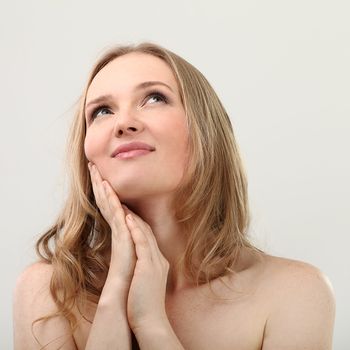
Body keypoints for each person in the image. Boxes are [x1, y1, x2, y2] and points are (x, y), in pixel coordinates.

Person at [13, 42, 336, 350]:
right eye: (101, 111)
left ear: (205, 131)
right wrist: (113, 304)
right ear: (87, 154)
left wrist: (150, 323)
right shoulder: (48, 291)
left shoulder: (295, 291)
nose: (123, 123)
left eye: (154, 98)